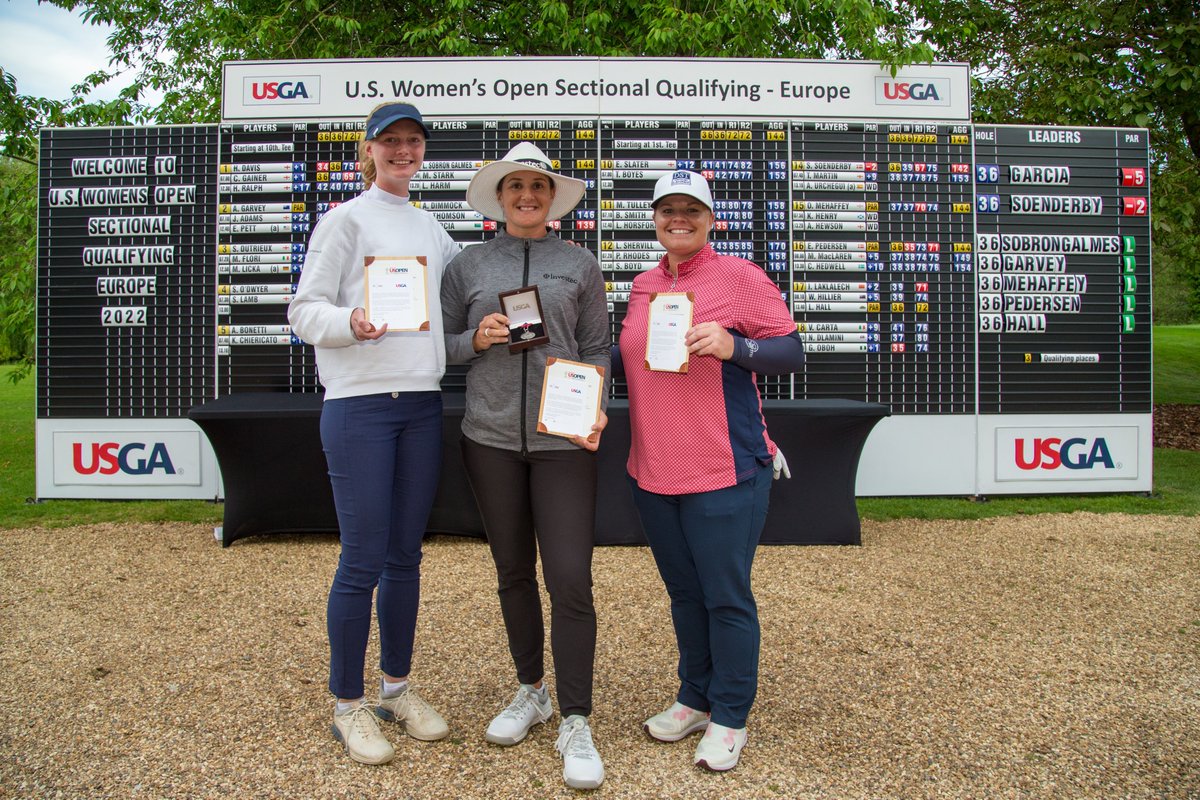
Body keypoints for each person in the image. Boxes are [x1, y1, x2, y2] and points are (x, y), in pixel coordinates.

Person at [595, 170, 804, 772]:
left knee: (725, 596)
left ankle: (731, 715)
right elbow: (625, 356)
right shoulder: (642, 284)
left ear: (712, 219)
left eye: (691, 209)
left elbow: (790, 352)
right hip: (654, 468)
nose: (678, 219)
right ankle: (695, 697)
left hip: (724, 467)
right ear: (655, 219)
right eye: (667, 209)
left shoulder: (739, 276)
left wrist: (735, 346)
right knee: (685, 595)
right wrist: (575, 368)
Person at [287, 102, 460, 766]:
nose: (402, 151)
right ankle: (346, 705)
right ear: (368, 150)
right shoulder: (344, 220)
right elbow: (304, 310)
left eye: (412, 141)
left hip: (419, 402)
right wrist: (349, 322)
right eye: (390, 141)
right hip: (359, 404)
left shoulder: (428, 225)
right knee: (361, 560)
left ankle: (396, 688)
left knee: (405, 557)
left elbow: (462, 288)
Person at [440, 142, 611, 790]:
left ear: (551, 198)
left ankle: (576, 718)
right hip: (488, 439)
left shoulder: (580, 264)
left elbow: (596, 346)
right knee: (512, 572)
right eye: (516, 187)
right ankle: (531, 690)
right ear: (501, 197)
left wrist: (595, 405)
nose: (527, 197)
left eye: (538, 187)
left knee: (569, 578)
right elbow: (439, 346)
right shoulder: (468, 265)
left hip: (565, 442)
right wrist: (472, 340)